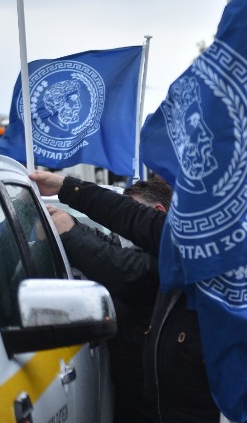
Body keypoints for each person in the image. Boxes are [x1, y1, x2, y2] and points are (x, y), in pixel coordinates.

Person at [31, 170, 247, 423]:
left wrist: (236, 329)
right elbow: (131, 215)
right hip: (167, 407)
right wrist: (66, 186)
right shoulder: (186, 240)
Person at [46, 176, 173, 423]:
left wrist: (70, 233)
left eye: (127, 222)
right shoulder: (151, 248)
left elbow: (124, 270)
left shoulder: (169, 260)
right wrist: (72, 224)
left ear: (156, 213)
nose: (120, 230)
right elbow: (110, 247)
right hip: (138, 392)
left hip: (157, 402)